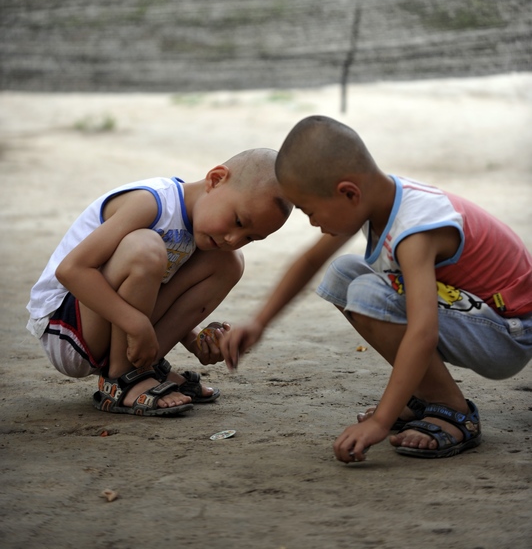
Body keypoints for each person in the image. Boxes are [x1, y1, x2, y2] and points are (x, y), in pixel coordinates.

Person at [221, 115, 532, 460]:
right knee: (344, 273)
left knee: (370, 295)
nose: (313, 222)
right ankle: (425, 392)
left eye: (311, 211)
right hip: (475, 314)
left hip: (508, 334)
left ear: (348, 193)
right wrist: (259, 321)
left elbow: (422, 331)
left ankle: (453, 410)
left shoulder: (414, 231)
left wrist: (381, 421)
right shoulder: (378, 200)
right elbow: (310, 261)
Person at [27, 148, 292, 417]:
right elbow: (71, 271)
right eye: (238, 221)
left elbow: (152, 287)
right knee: (145, 248)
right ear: (215, 179)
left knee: (229, 262)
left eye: (251, 237)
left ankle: (144, 368)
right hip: (67, 325)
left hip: (113, 324)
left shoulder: (199, 228)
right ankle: (122, 378)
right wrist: (136, 323)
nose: (234, 239)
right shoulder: (153, 203)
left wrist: (194, 339)